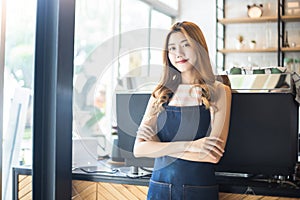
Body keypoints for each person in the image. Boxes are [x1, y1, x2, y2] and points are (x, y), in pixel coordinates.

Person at [133, 21, 232, 200]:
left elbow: (212, 154)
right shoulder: (160, 93)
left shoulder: (218, 91)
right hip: (159, 189)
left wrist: (157, 146)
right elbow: (139, 149)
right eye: (172, 48)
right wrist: (192, 145)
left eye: (185, 45)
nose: (178, 54)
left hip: (198, 191)